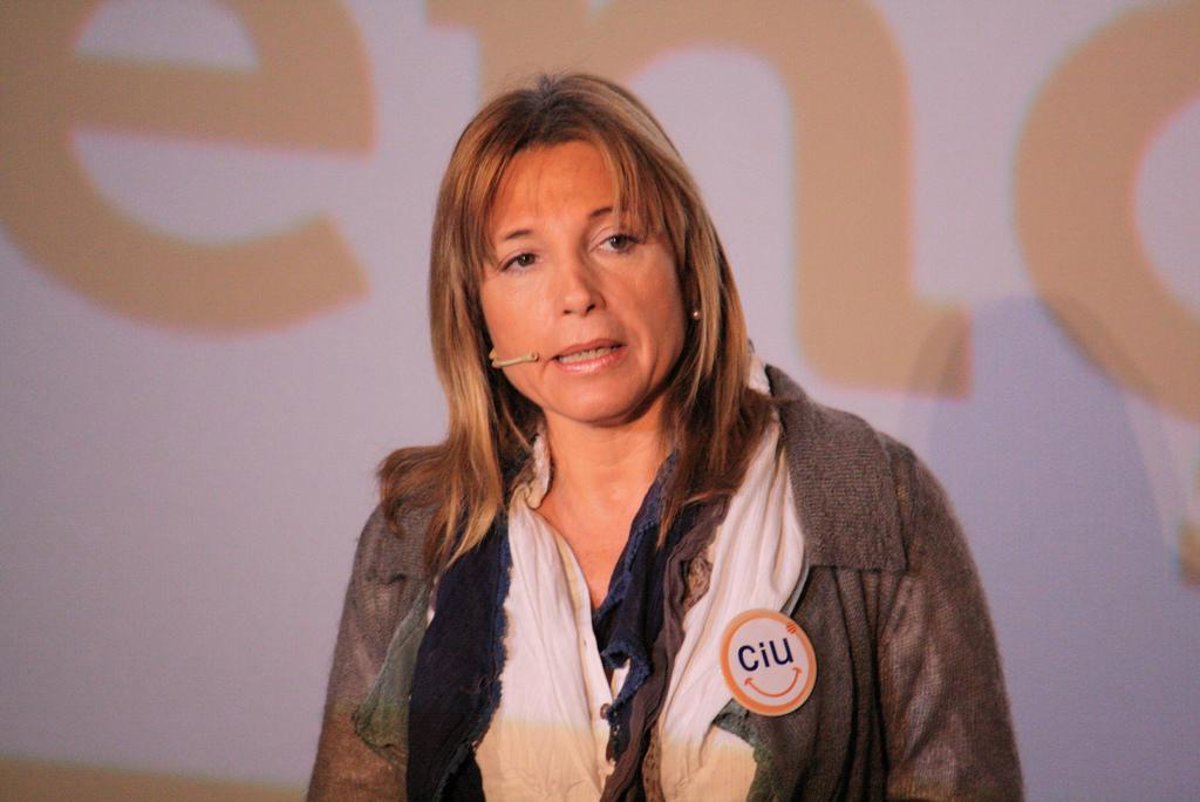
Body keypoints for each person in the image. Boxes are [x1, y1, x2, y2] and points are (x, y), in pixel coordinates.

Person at [307, 73, 1022, 801]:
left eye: (616, 240)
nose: (577, 295)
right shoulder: (420, 535)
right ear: (476, 312)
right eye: (523, 259)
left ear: (686, 266)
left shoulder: (869, 497)